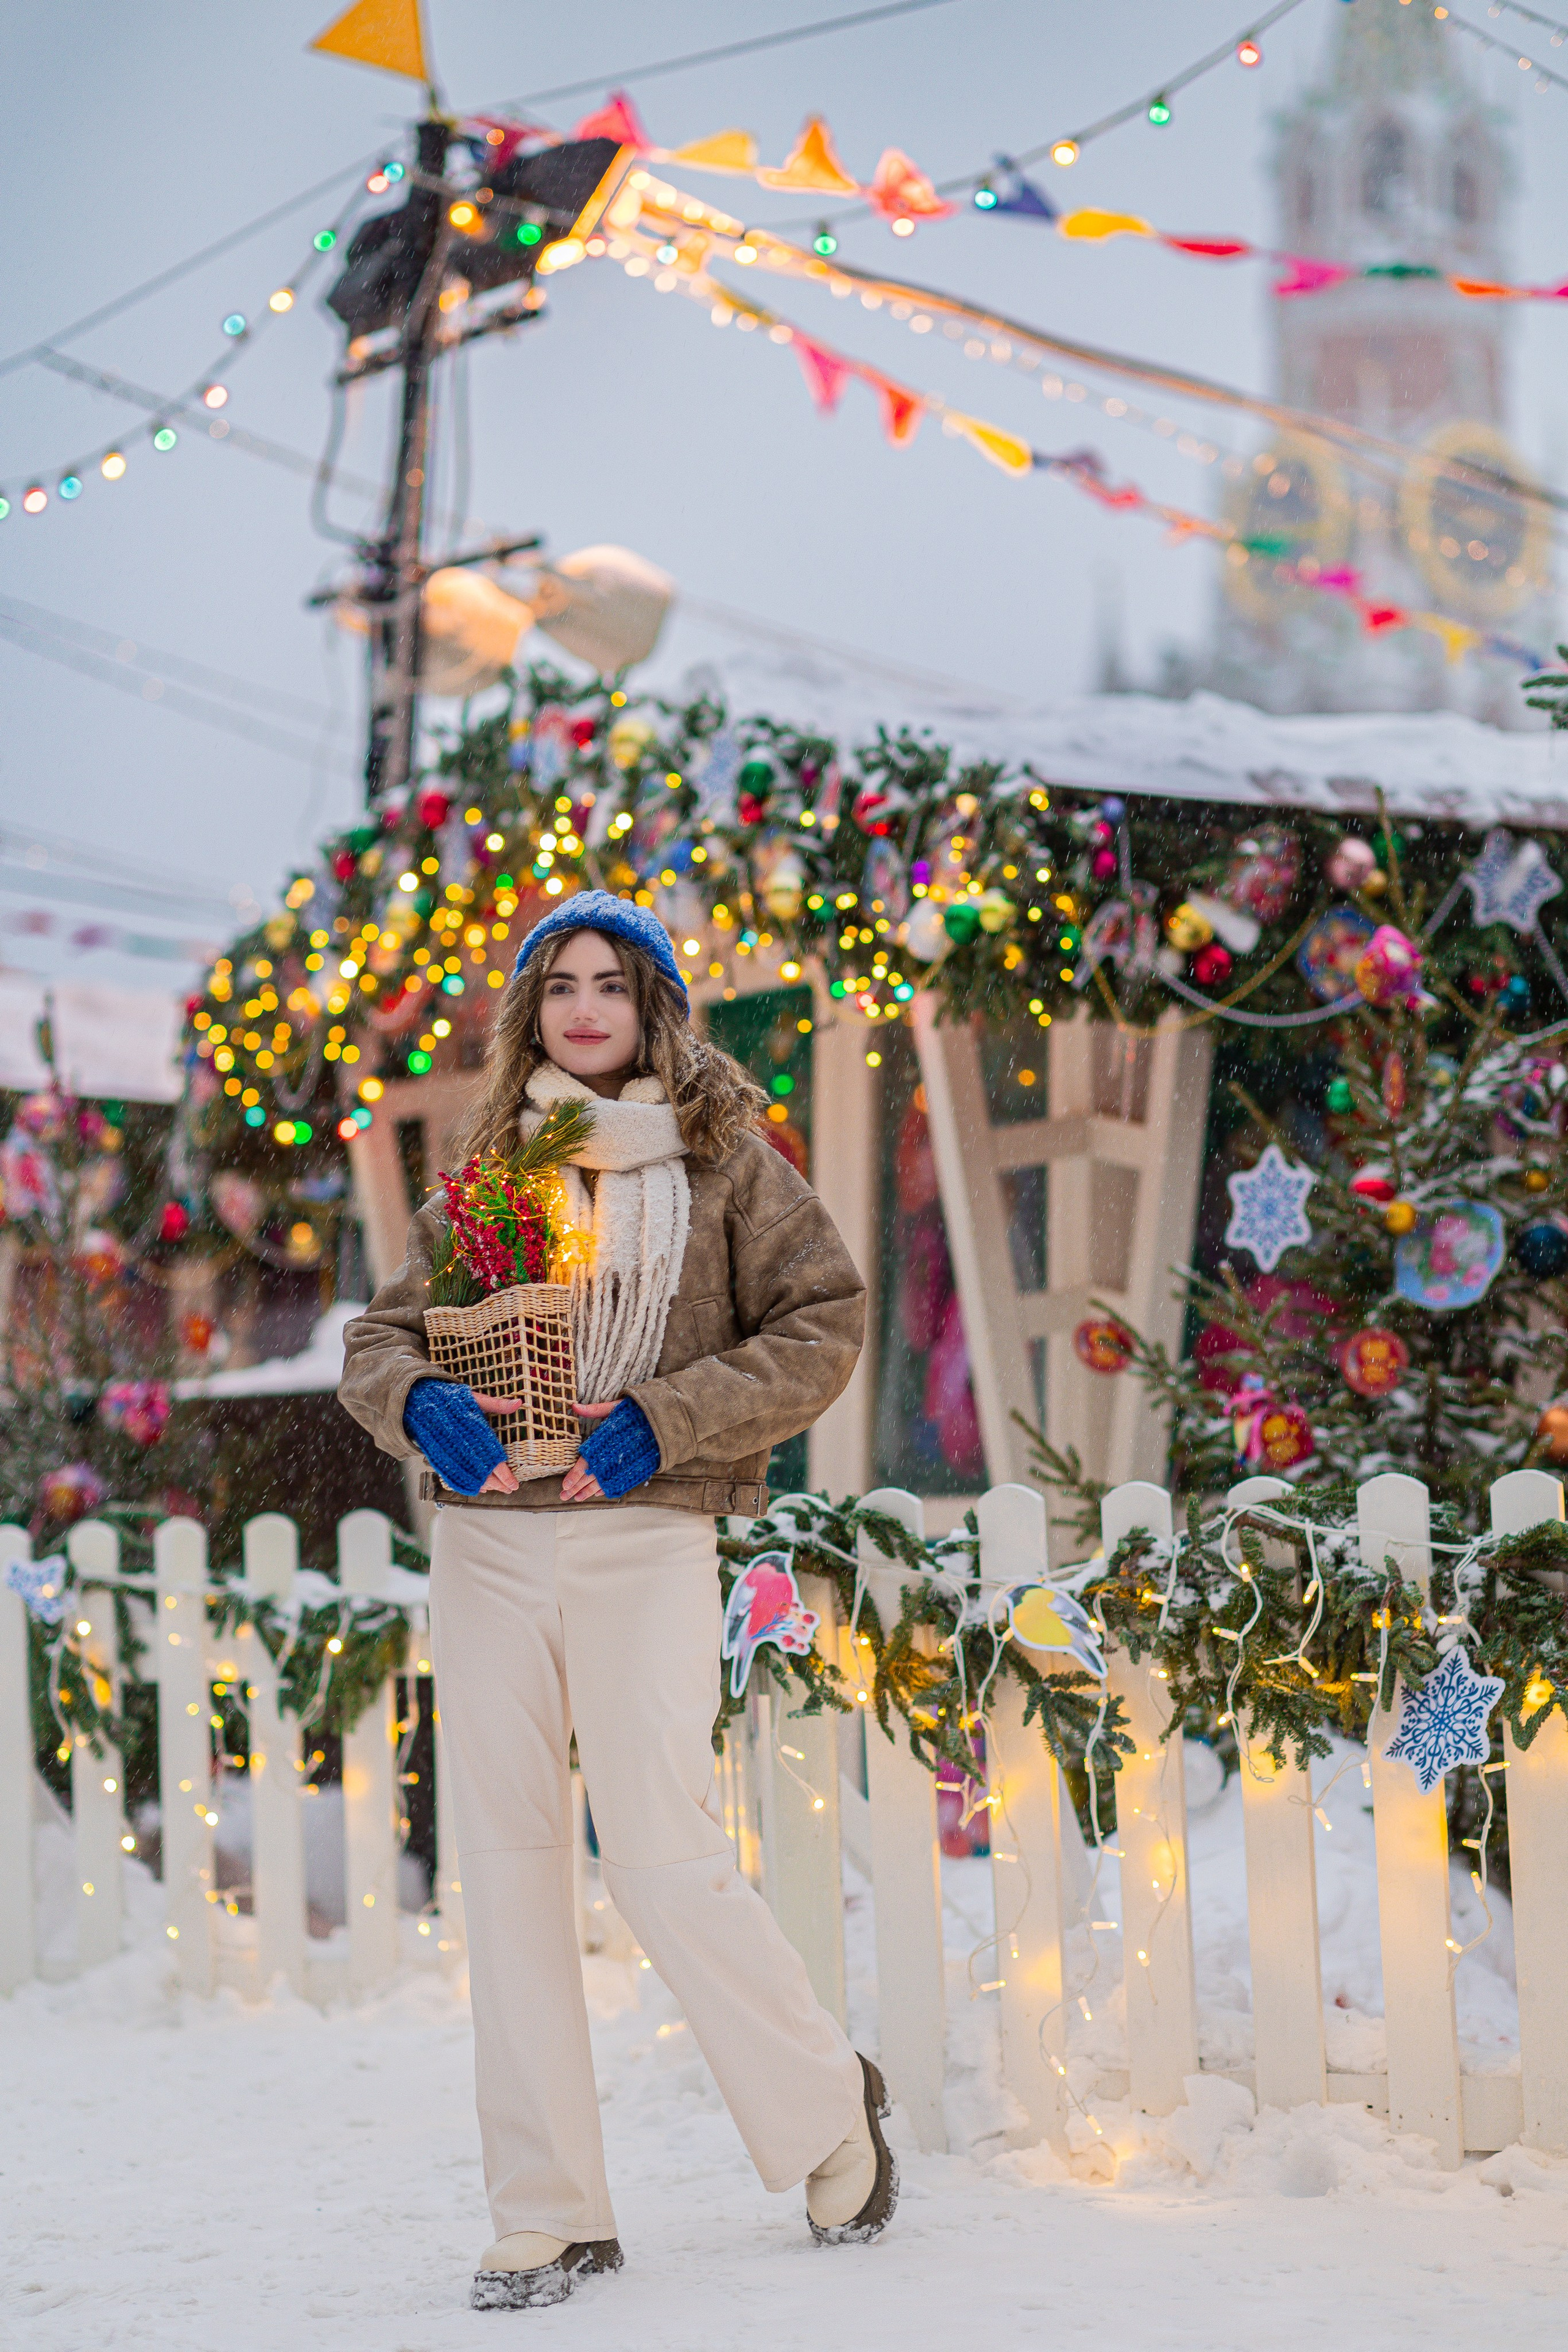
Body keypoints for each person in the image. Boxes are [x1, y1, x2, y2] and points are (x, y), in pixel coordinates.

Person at [339, 891, 897, 2311]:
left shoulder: (727, 1164)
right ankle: (548, 2210)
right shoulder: (494, 1173)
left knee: (655, 1844)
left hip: (644, 1532)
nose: (586, 1006)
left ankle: (828, 2104)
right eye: (561, 985)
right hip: (489, 1546)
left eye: (613, 984)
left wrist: (666, 1415)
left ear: (653, 1007)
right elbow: (381, 1334)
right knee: (513, 1863)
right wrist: (420, 1404)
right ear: (533, 1011)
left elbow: (821, 1321)